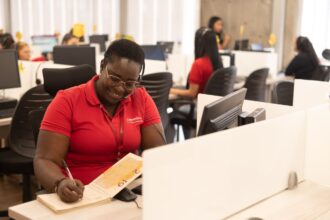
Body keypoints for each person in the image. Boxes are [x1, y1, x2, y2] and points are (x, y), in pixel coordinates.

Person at [34, 39, 166, 203]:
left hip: (128, 190)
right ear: (103, 65)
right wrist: (60, 183)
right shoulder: (66, 101)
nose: (120, 88)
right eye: (115, 78)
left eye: (129, 83)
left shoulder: (141, 99)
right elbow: (45, 159)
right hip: (83, 194)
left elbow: (158, 153)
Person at [170, 27, 222, 98]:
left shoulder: (198, 64)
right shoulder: (218, 61)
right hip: (210, 103)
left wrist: (170, 90)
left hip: (198, 103)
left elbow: (192, 93)